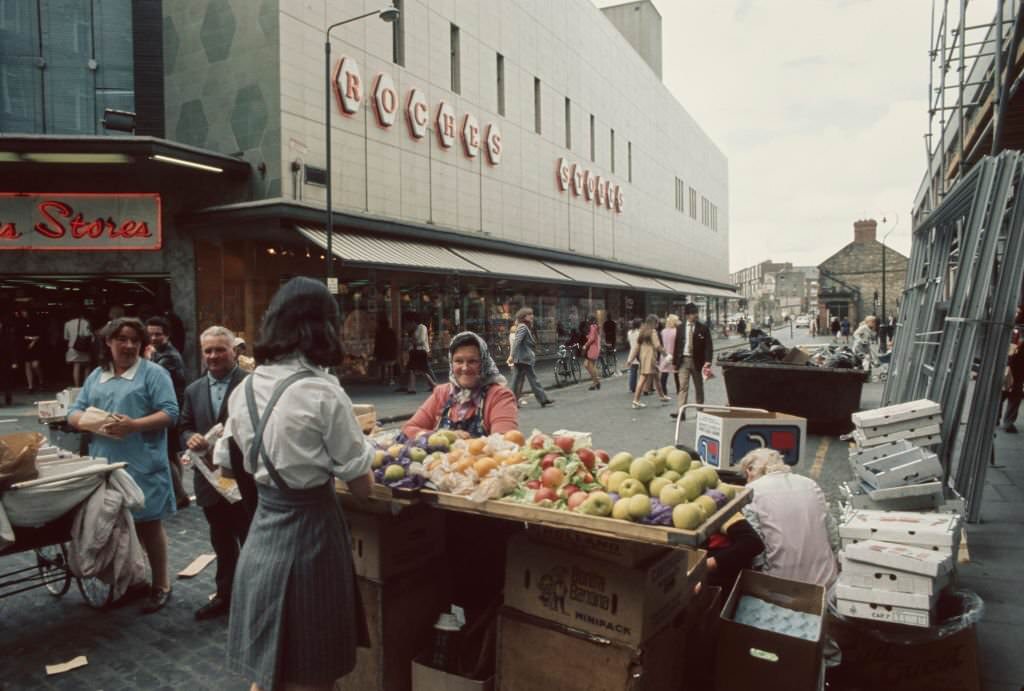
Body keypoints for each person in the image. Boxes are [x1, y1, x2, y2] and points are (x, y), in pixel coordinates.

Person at [217, 277, 374, 691]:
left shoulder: (244, 388)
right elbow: (363, 486)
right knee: (313, 669)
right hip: (312, 544)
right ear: (322, 327)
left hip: (262, 539)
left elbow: (229, 466)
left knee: (270, 668)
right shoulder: (322, 392)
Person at [68, 317, 179, 613]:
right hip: (106, 464)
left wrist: (134, 425)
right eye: (122, 339)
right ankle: (132, 581)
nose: (129, 345)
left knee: (149, 525)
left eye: (135, 340)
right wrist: (85, 421)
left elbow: (170, 412)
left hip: (143, 461)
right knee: (118, 527)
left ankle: (161, 584)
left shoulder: (153, 374)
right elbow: (74, 411)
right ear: (108, 342)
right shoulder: (97, 375)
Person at [178, 325, 251, 620]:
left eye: (220, 349)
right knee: (221, 542)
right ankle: (225, 596)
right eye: (208, 350)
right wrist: (190, 437)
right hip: (209, 482)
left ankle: (255, 598)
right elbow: (183, 425)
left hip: (243, 480)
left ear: (233, 351)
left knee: (251, 541)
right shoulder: (194, 390)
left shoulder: (250, 385)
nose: (213, 355)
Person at [738, 448, 838, 587]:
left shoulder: (752, 491)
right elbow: (833, 537)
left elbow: (755, 550)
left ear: (749, 470)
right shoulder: (810, 484)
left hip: (781, 587)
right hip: (826, 583)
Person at [402, 331, 519, 438]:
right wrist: (439, 436)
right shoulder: (442, 392)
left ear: (484, 364)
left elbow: (503, 442)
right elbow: (409, 429)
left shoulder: (499, 396)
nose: (465, 368)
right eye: (458, 361)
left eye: (472, 361)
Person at [146, 316, 190, 509]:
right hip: (171, 409)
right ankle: (177, 492)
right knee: (172, 454)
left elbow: (154, 377)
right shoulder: (160, 352)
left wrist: (146, 359)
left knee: (165, 453)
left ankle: (179, 495)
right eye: (150, 334)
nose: (153, 338)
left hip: (170, 411)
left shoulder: (169, 356)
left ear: (167, 335)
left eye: (158, 334)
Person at [670, 303, 712, 419]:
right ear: (687, 315)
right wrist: (674, 363)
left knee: (698, 386)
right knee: (683, 386)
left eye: (696, 313)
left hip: (697, 361)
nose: (695, 315)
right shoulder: (680, 328)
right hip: (683, 360)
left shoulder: (703, 328)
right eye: (693, 313)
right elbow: (677, 345)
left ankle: (700, 410)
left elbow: (708, 346)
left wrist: (708, 360)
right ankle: (681, 412)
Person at [510, 308, 554, 409]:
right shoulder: (523, 327)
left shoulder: (525, 326)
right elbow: (517, 341)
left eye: (532, 314)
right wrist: (511, 355)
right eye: (529, 314)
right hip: (523, 359)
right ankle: (543, 399)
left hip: (520, 359)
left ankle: (511, 402)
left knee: (517, 381)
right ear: (524, 317)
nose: (532, 316)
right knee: (533, 380)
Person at [629, 316, 669, 409]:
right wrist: (666, 354)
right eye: (657, 323)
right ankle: (636, 401)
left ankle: (662, 396)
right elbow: (657, 346)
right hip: (651, 358)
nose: (658, 325)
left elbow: (636, 347)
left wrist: (630, 359)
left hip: (644, 358)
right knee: (643, 379)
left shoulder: (642, 332)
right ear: (653, 323)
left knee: (656, 377)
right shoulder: (653, 332)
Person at [1000, 305, 1024, 433]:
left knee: (1005, 391)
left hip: (1013, 363)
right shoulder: (1018, 330)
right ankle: (1007, 422)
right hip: (1015, 363)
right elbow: (1014, 347)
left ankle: (998, 419)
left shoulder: (1015, 327)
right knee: (1014, 393)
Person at [400, 315, 438, 394]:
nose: (408, 325)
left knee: (423, 370)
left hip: (420, 351)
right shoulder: (413, 329)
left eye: (409, 323)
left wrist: (411, 340)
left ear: (413, 322)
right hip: (414, 352)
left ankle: (434, 385)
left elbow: (420, 340)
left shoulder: (422, 327)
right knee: (413, 370)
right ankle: (411, 388)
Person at [15, 308, 45, 393]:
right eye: (22, 311)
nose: (23, 313)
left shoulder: (36, 321)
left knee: (35, 365)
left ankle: (41, 380)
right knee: (27, 365)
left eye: (25, 311)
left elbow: (42, 333)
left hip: (36, 345)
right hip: (25, 345)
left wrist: (34, 340)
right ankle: (30, 386)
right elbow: (18, 334)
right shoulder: (20, 322)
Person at [64, 310, 93, 387]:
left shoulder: (67, 323)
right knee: (87, 365)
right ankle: (86, 385)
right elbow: (87, 334)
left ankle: (77, 386)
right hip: (84, 347)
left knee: (76, 365)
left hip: (72, 347)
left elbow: (66, 337)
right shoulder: (85, 322)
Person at [374, 313, 399, 386]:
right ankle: (390, 379)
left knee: (383, 366)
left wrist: (375, 352)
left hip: (382, 351)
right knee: (390, 365)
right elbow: (395, 341)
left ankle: (383, 379)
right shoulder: (391, 332)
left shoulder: (379, 332)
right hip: (391, 351)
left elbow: (377, 343)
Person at [659, 314, 681, 397]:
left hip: (665, 355)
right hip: (674, 355)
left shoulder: (663, 331)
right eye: (677, 320)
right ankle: (679, 390)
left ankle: (664, 392)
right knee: (676, 374)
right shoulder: (676, 331)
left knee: (664, 374)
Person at [582, 316, 601, 390]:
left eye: (588, 320)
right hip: (595, 348)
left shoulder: (593, 327)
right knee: (587, 365)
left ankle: (595, 382)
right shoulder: (596, 327)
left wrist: (585, 345)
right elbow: (594, 337)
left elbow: (592, 338)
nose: (587, 321)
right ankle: (596, 381)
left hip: (593, 348)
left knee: (590, 365)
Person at [626, 318, 642, 394]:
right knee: (642, 372)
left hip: (632, 352)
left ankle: (632, 387)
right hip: (639, 352)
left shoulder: (629, 333)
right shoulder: (639, 333)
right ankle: (643, 386)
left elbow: (629, 341)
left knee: (633, 371)